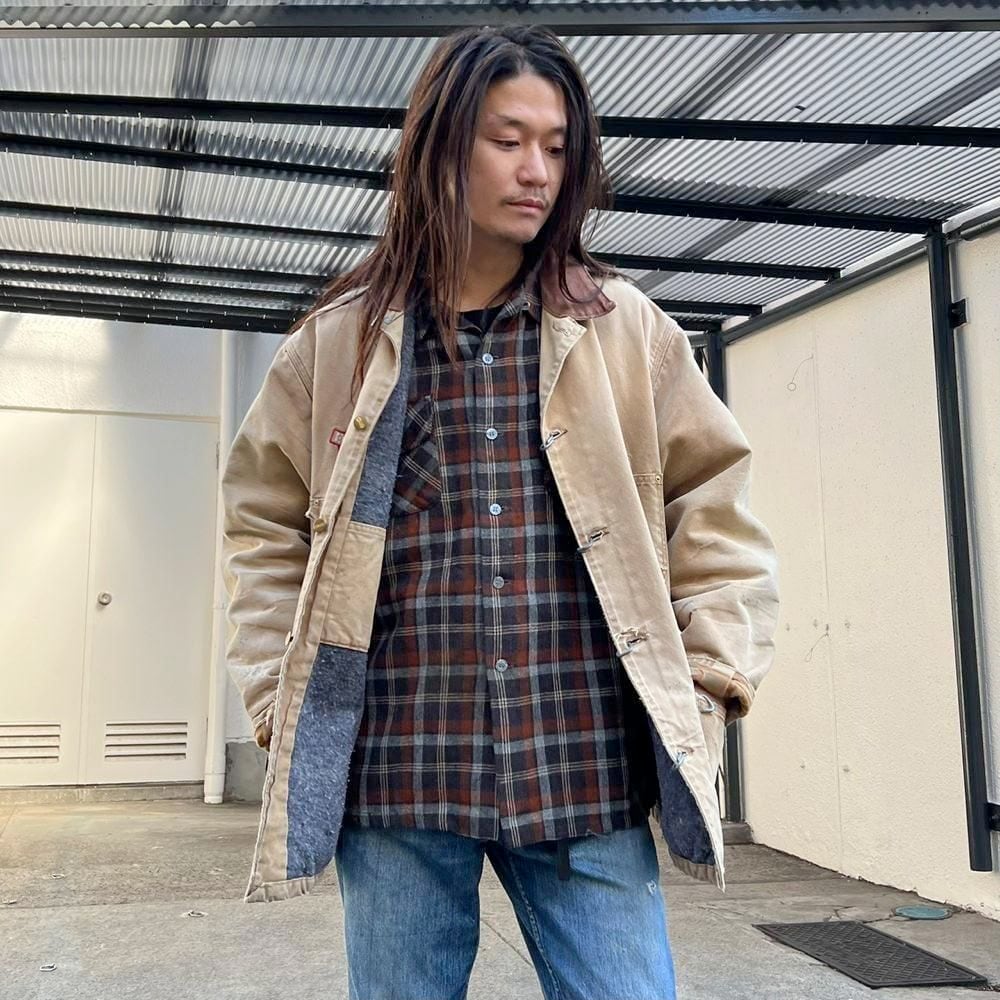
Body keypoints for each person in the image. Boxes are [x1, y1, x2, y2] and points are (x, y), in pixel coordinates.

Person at [222, 24, 779, 1000]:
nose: (537, 171)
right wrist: (279, 698)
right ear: (440, 146)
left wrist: (706, 679)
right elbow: (261, 525)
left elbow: (715, 507)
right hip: (398, 771)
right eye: (507, 139)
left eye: (557, 147)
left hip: (583, 763)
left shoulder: (624, 332)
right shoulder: (336, 344)